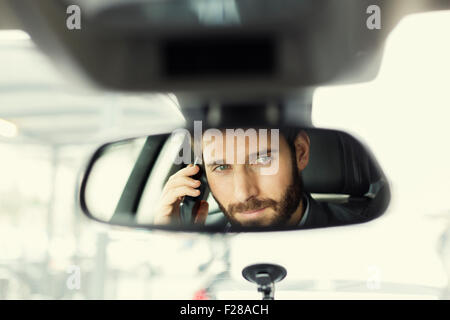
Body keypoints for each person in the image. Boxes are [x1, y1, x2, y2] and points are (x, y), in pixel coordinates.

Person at [154, 128, 368, 229]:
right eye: (221, 167)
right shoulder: (200, 242)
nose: (244, 193)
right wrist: (172, 249)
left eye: (263, 160)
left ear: (300, 153)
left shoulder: (360, 236)